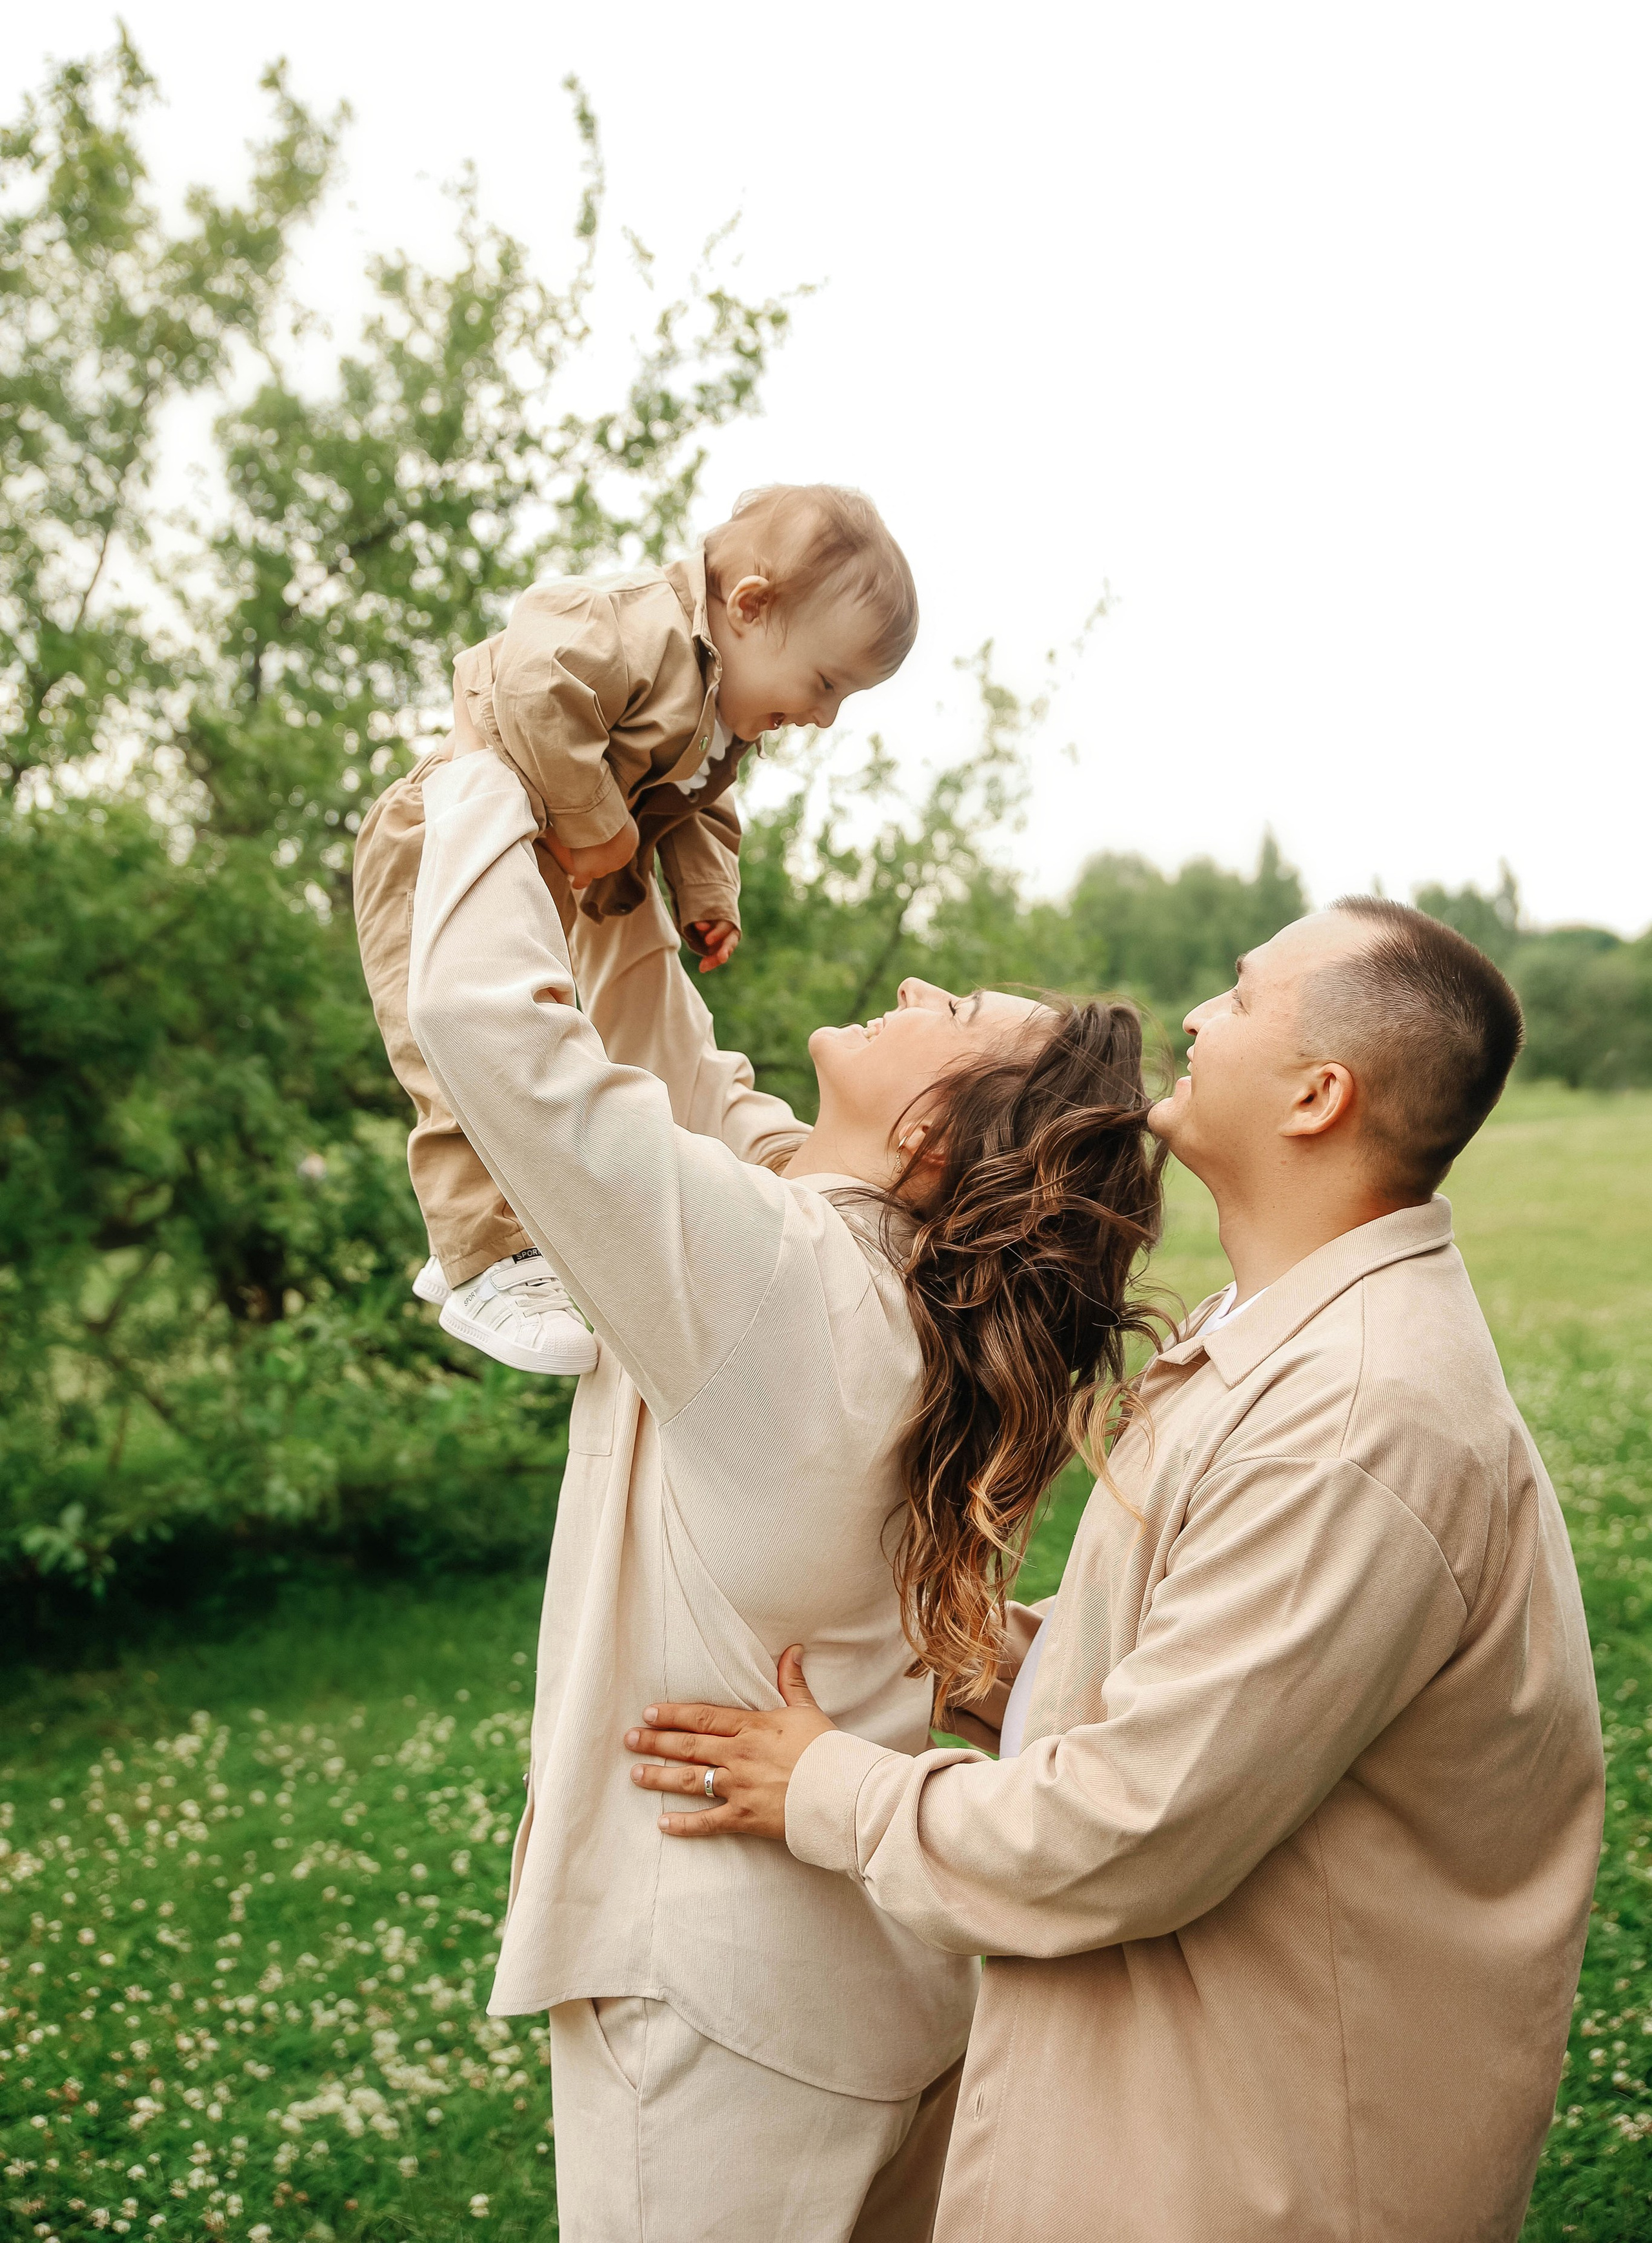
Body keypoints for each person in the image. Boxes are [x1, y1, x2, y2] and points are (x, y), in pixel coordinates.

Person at [625, 900, 1607, 2243]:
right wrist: (963, 1656)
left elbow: (1128, 1827)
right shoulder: (1271, 1336)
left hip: (1265, 2168)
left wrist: (833, 1791)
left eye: (1241, 997)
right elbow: (1195, 1674)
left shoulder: (1358, 1422)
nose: (1195, 1018)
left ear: (1317, 1095)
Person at [402, 722, 1168, 2242]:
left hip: (713, 2000)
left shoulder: (769, 1275)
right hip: (879, 1989)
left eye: (951, 1007)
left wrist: (493, 750)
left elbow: (486, 1027)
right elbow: (678, 1076)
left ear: (934, 1130)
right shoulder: (906, 1293)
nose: (910, 989)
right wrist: (613, 850)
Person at [354, 482, 915, 1374]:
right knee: (462, 1052)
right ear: (751, 605)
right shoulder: (637, 626)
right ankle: (479, 1263)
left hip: (534, 862)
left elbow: (695, 807)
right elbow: (528, 675)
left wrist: (706, 898)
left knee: (554, 1048)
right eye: (825, 683)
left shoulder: (721, 712)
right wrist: (600, 828)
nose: (823, 716)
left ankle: (489, 1240)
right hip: (441, 836)